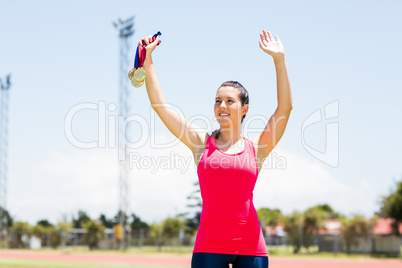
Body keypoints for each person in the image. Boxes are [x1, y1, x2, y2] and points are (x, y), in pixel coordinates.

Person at [140, 29, 293, 268]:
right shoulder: (201, 143)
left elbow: (284, 109)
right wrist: (148, 61)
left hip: (251, 247)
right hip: (209, 245)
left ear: (244, 109)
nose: (222, 105)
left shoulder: (257, 148)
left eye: (230, 101)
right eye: (217, 100)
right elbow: (160, 106)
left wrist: (279, 60)